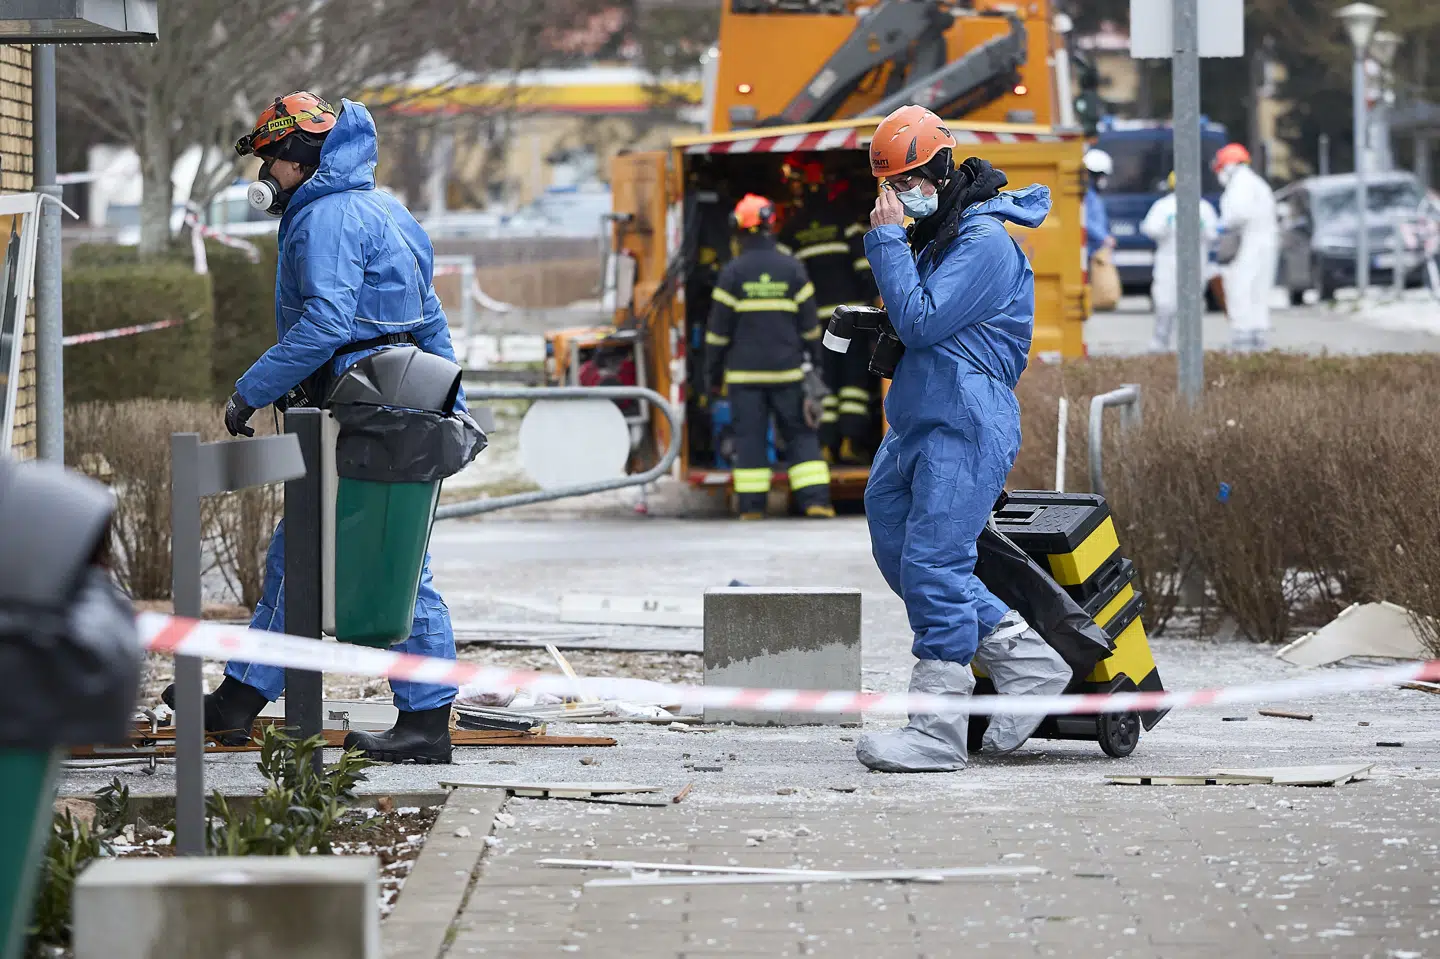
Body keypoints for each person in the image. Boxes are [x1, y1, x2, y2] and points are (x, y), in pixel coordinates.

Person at [161, 91, 468, 765]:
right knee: (303, 552)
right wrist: (451, 398)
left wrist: (251, 390)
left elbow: (327, 323)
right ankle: (242, 696)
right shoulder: (388, 210)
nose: (266, 174)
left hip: (363, 408)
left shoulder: (324, 218)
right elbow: (430, 317)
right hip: (400, 400)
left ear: (299, 159)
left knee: (395, 564)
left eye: (271, 159)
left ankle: (424, 724)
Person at [855, 105, 1069, 773]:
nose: (899, 197)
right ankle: (1027, 660)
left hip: (965, 421)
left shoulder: (983, 242)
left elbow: (921, 320)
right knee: (898, 544)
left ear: (942, 170)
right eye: (889, 185)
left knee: (935, 566)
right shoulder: (940, 235)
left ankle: (937, 731)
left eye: (909, 181)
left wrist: (888, 244)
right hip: (921, 415)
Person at [706, 194, 835, 520]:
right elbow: (809, 328)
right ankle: (816, 501)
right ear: (770, 225)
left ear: (739, 228)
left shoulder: (732, 273)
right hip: (788, 373)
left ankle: (751, 508)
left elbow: (717, 333)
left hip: (744, 377)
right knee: (801, 436)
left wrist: (710, 374)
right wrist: (815, 365)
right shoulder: (792, 269)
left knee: (750, 439)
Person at [778, 162, 874, 463]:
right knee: (853, 383)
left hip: (816, 325)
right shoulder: (845, 221)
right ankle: (849, 441)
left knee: (826, 383)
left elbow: (785, 280)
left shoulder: (793, 230)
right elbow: (864, 268)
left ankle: (825, 446)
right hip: (850, 320)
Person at [1140, 171, 1220, 352]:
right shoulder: (1163, 206)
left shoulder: (1203, 207)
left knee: (1191, 307)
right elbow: (1150, 229)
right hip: (1168, 263)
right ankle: (1160, 342)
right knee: (1165, 304)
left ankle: (1188, 346)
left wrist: (1203, 228)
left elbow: (1214, 234)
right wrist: (1165, 227)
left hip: (1195, 265)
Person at [1213, 143, 1279, 352]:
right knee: (1258, 293)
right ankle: (1257, 339)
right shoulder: (1257, 183)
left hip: (1248, 245)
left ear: (1229, 166)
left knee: (1240, 290)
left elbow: (1237, 214)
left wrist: (1220, 226)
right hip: (1263, 244)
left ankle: (1243, 339)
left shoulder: (1240, 184)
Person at [1083, 148, 1115, 261]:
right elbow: (1085, 220)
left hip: (1095, 250)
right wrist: (1104, 237)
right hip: (1089, 251)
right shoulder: (1087, 195)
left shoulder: (1093, 195)